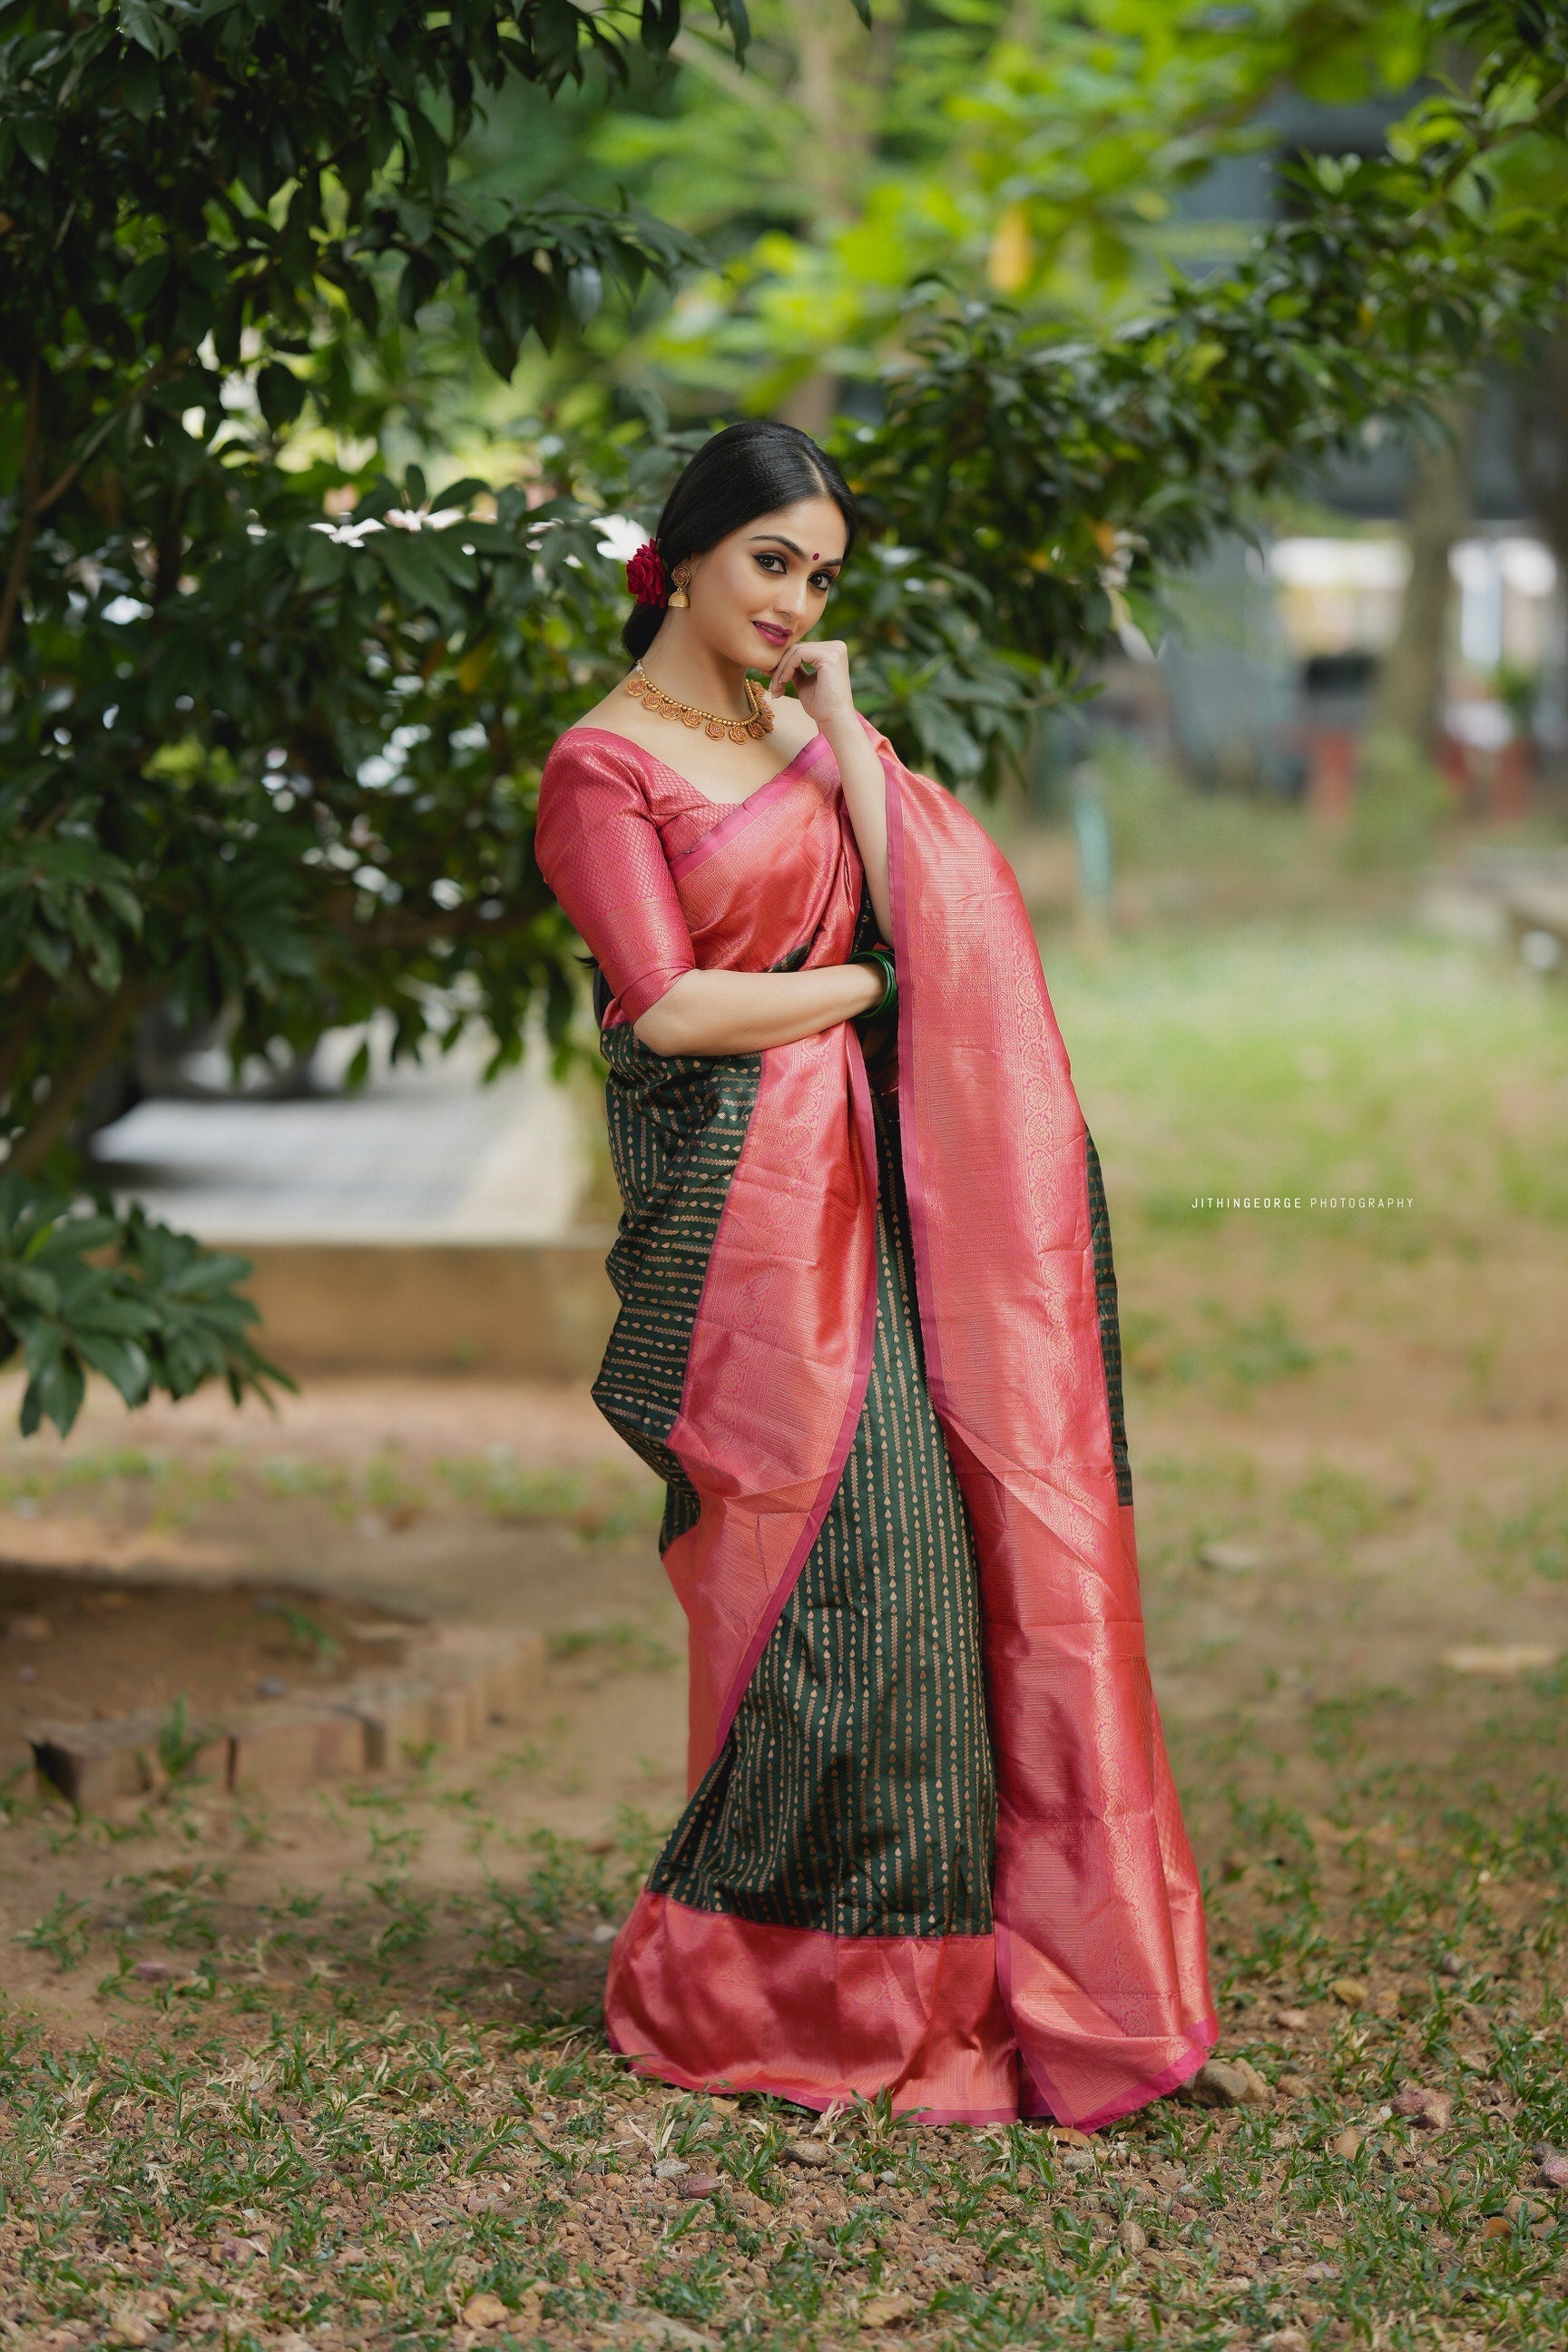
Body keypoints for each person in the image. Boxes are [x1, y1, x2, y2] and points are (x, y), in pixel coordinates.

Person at [534, 419, 1214, 2130]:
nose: (795, 598)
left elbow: (940, 906)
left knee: (955, 1583)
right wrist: (857, 993)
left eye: (822, 575)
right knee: (825, 1581)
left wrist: (839, 727)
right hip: (747, 1236)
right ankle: (761, 1981)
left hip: (892, 1203)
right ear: (683, 554)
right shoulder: (601, 772)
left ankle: (956, 1976)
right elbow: (670, 1005)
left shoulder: (803, 733)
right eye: (772, 560)